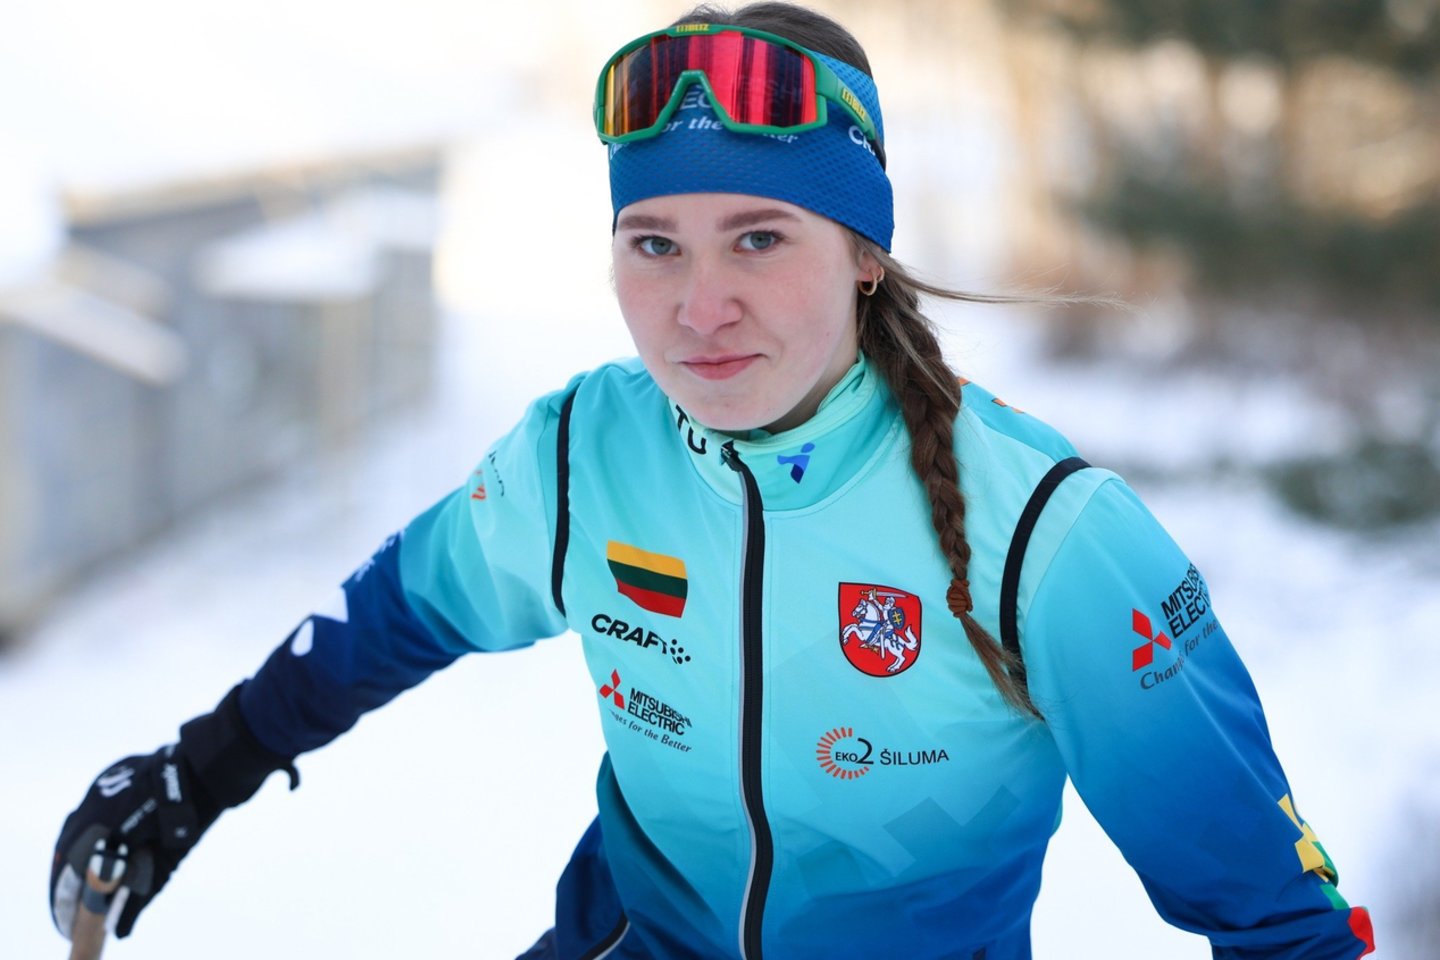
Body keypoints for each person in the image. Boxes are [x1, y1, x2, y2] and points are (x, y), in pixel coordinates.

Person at [51, 4, 1375, 958]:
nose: (699, 308)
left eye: (758, 238)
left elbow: (1280, 920)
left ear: (864, 252)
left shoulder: (1046, 534)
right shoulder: (585, 453)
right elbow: (400, 612)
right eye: (654, 243)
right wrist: (200, 769)